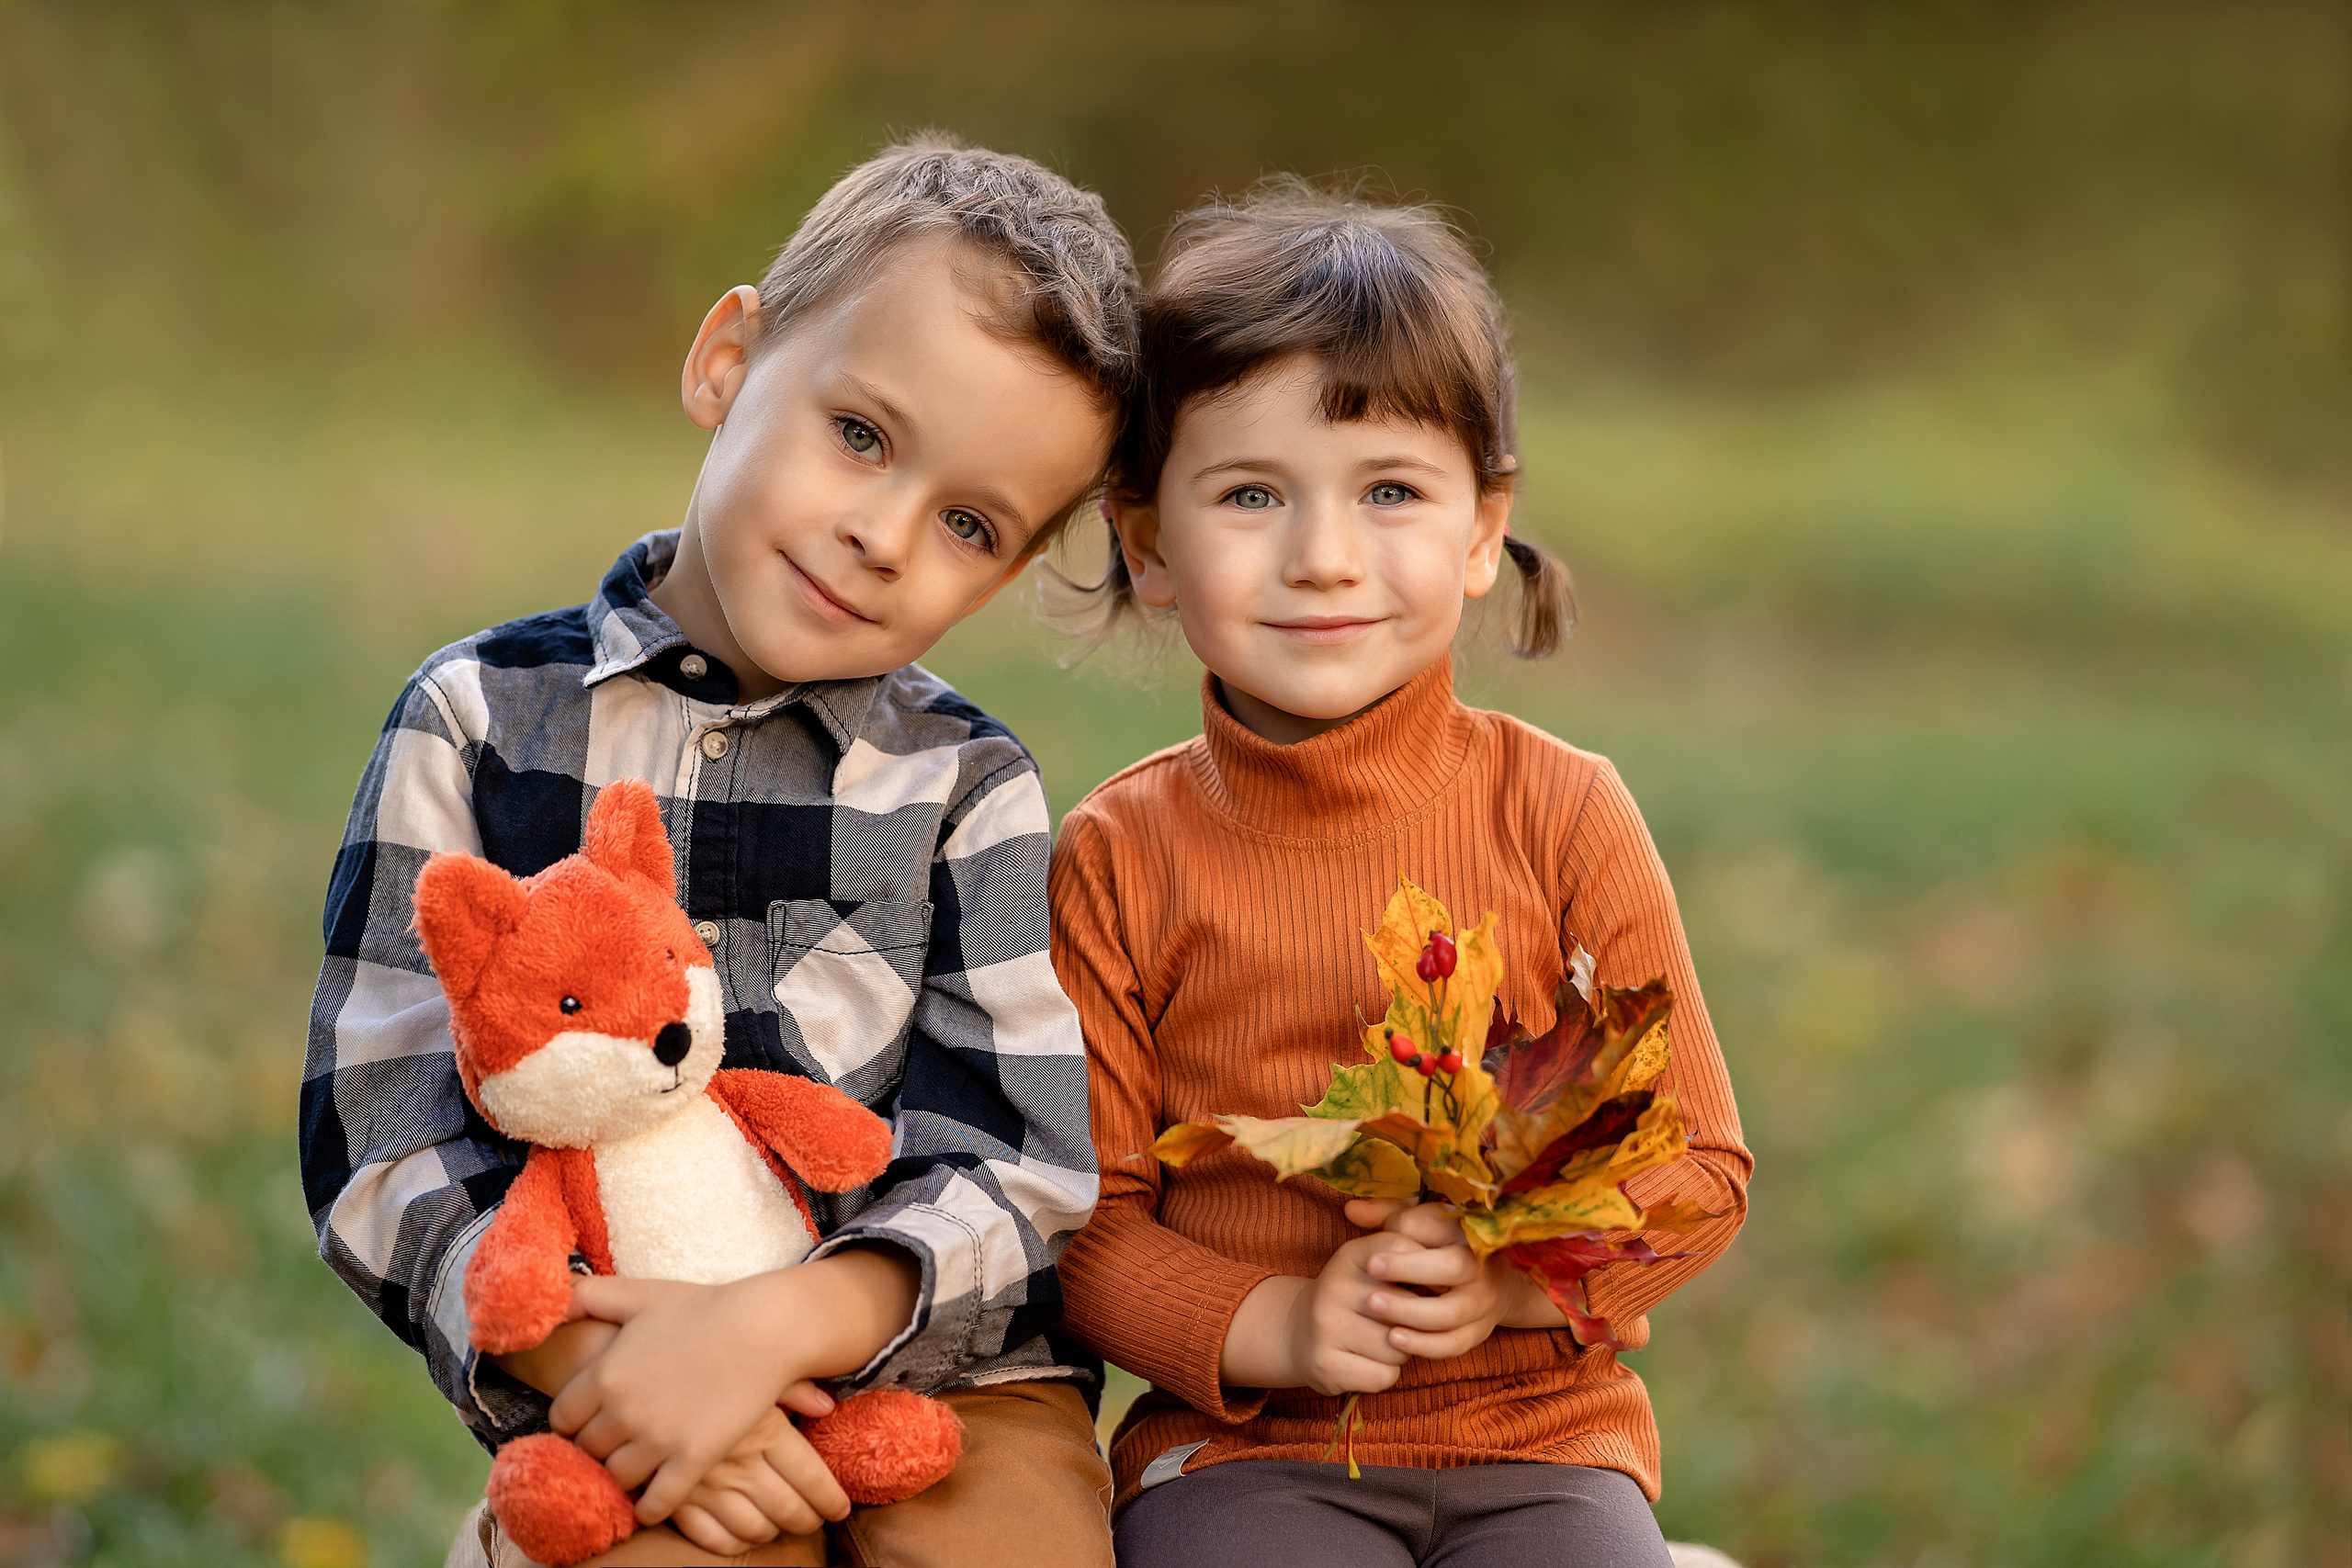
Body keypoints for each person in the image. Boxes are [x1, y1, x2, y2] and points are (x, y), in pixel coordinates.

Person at [301, 135, 1135, 1568]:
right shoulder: (481, 723)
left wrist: (784, 1329)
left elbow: (1020, 1152)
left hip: (951, 1380)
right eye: (861, 435)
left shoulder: (964, 784)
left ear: (1003, 574)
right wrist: (602, 1373)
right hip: (613, 1373)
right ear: (729, 360)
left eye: (967, 523)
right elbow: (378, 1126)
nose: (880, 533)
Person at [1048, 179, 1752, 1566]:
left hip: (1543, 1441)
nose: (1323, 557)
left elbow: (1702, 1171)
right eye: (1252, 494)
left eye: (1389, 492)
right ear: (1148, 547)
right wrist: (1286, 1326)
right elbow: (1088, 1232)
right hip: (1244, 1455)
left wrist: (1508, 1286)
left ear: (1482, 531)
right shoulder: (1120, 856)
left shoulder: (1562, 812)